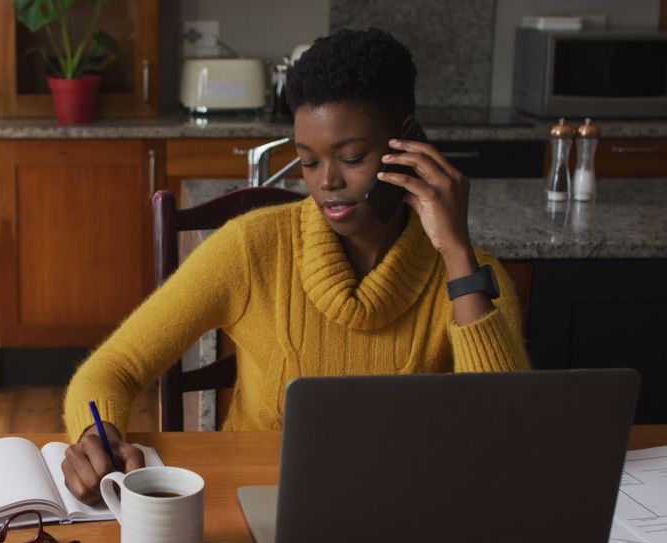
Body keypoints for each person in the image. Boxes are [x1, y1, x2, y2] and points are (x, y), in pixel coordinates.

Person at [59, 28, 531, 504]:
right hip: (260, 505)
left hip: (405, 509)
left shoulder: (468, 276)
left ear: (407, 144)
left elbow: (509, 437)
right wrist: (96, 437)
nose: (326, 182)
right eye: (307, 162)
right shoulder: (252, 248)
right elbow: (113, 367)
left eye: (351, 157)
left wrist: (455, 252)